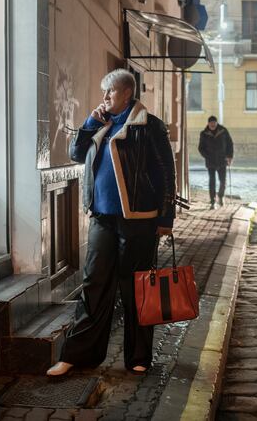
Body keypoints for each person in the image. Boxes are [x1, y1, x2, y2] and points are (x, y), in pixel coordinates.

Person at [47, 69, 176, 377]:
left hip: (140, 221)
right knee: (93, 286)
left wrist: (165, 217)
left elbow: (165, 173)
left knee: (136, 289)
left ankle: (138, 357)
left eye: (110, 93)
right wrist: (90, 123)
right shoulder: (101, 123)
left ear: (127, 94)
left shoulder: (149, 126)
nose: (104, 98)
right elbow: (76, 153)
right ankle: (77, 356)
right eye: (104, 92)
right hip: (102, 218)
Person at [198, 116, 234, 209]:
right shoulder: (204, 133)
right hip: (211, 161)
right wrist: (207, 156)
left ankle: (221, 197)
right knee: (212, 182)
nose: (213, 125)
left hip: (222, 160)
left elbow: (230, 144)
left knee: (223, 181)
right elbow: (201, 148)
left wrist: (229, 156)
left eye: (214, 123)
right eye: (211, 123)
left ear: (216, 123)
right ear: (208, 123)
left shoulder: (223, 131)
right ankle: (213, 201)